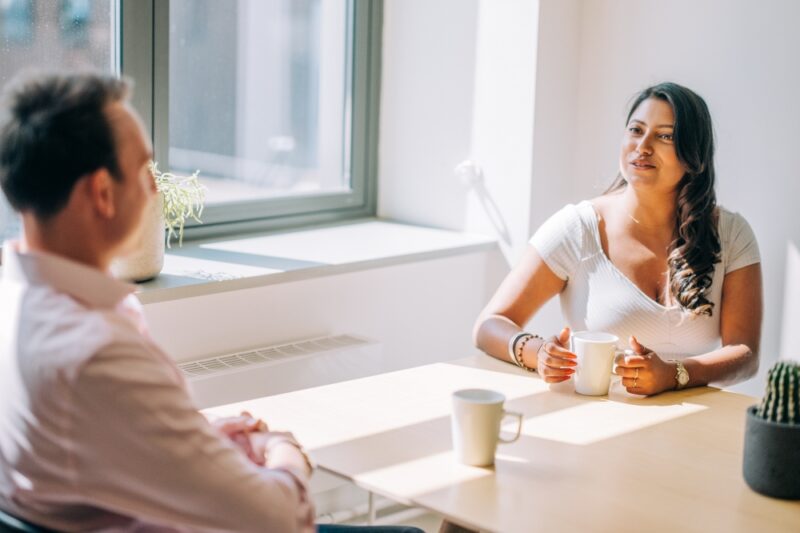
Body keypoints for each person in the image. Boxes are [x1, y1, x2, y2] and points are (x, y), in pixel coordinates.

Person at [0, 71, 422, 533]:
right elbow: (279, 521)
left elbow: (96, 442)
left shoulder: (19, 302)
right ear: (101, 193)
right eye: (145, 170)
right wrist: (286, 451)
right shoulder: (95, 353)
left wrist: (198, 439)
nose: (155, 190)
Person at [474, 82, 762, 396]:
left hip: (697, 426)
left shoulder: (732, 233)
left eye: (665, 135)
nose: (643, 146)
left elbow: (745, 354)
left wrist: (676, 374)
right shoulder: (579, 227)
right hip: (598, 423)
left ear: (693, 153)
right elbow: (489, 324)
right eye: (636, 130)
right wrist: (537, 351)